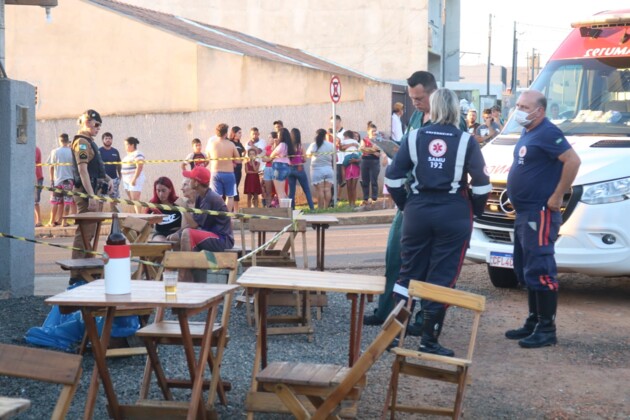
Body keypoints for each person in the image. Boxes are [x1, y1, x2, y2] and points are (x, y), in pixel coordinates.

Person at [385, 88, 491, 356]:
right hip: (453, 211)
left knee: (407, 273)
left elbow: (392, 178)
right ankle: (429, 340)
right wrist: (473, 211)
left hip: (418, 210)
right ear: (457, 110)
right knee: (442, 275)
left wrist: (406, 205)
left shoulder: (413, 137)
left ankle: (392, 337)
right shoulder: (467, 141)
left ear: (431, 109)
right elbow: (481, 185)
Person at [364, 71, 465, 330]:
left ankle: (424, 320)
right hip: (410, 200)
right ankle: (388, 311)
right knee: (396, 256)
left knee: (434, 264)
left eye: (419, 98)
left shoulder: (455, 122)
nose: (416, 103)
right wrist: (392, 147)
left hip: (436, 201)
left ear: (433, 92)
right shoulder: (418, 116)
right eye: (412, 98)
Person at [504, 90, 581, 349]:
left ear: (540, 111)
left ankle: (547, 329)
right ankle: (534, 321)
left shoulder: (548, 132)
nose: (519, 110)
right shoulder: (529, 132)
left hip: (540, 212)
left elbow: (573, 160)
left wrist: (558, 195)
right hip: (525, 213)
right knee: (527, 268)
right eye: (518, 105)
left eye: (525, 107)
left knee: (541, 268)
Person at [69, 109, 113, 283]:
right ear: (87, 122)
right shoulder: (81, 142)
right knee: (84, 235)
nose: (98, 128)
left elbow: (95, 168)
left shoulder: (88, 142)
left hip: (93, 192)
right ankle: (76, 275)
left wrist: (107, 178)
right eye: (96, 124)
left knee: (91, 235)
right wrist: (92, 196)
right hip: (88, 195)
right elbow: (82, 170)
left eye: (100, 125)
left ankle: (85, 270)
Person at [207, 123, 240, 211]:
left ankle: (218, 216)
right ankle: (227, 217)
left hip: (215, 173)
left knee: (217, 197)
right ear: (226, 133)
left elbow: (207, 159)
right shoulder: (231, 144)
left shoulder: (211, 145)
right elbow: (238, 160)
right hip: (229, 173)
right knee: (230, 196)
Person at [46, 133, 76, 227]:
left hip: (57, 180)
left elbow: (50, 167)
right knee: (67, 201)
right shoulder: (72, 151)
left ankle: (51, 221)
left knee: (55, 202)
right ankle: (64, 222)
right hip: (69, 180)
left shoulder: (54, 151)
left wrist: (51, 180)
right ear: (68, 140)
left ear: (60, 140)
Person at [145, 177, 182, 242]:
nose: (161, 194)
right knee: (162, 243)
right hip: (160, 233)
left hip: (177, 232)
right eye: (158, 190)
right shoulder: (153, 203)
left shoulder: (178, 202)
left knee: (176, 241)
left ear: (170, 189)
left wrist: (178, 233)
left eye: (163, 190)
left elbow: (187, 223)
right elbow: (144, 220)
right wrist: (151, 220)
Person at [306, 129, 334, 209]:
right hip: (328, 169)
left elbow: (308, 155)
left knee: (320, 190)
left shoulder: (314, 145)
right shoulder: (330, 145)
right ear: (325, 135)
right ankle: (326, 208)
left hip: (317, 170)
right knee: (327, 189)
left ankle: (320, 208)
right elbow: (334, 156)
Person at [287, 128, 315, 210]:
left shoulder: (288, 146)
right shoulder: (300, 146)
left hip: (290, 168)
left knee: (291, 192)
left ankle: (292, 209)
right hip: (299, 168)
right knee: (306, 189)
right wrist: (300, 160)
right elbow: (305, 159)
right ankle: (312, 208)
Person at [264, 127, 293, 201]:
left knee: (280, 193)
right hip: (286, 167)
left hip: (279, 167)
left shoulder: (281, 145)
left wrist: (275, 145)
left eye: (278, 135)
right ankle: (288, 209)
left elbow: (271, 155)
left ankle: (284, 210)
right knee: (283, 193)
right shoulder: (288, 145)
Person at [121, 136, 145, 213]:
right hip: (126, 180)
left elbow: (140, 166)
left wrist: (134, 179)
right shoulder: (128, 156)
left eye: (126, 145)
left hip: (134, 179)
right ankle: (136, 215)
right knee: (132, 199)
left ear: (132, 145)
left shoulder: (138, 153)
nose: (125, 147)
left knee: (135, 199)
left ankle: (139, 216)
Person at [99, 132, 122, 212]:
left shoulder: (115, 151)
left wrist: (120, 177)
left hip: (114, 180)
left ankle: (114, 222)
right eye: (106, 138)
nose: (108, 140)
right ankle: (98, 223)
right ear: (103, 140)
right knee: (100, 201)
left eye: (110, 138)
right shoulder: (99, 151)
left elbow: (119, 165)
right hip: (103, 181)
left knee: (114, 201)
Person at [359, 122, 381, 206]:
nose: (374, 133)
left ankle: (374, 198)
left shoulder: (378, 140)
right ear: (368, 132)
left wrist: (367, 149)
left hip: (374, 161)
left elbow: (378, 153)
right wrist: (372, 150)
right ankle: (365, 198)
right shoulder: (364, 139)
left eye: (375, 131)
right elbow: (362, 149)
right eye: (372, 131)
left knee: (373, 180)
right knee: (365, 181)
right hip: (365, 161)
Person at [339, 130, 361, 207]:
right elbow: (341, 148)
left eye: (357, 137)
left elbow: (361, 155)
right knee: (349, 186)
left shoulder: (358, 145)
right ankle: (350, 203)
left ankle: (353, 203)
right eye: (354, 136)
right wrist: (352, 144)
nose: (355, 138)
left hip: (355, 167)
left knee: (353, 187)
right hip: (348, 167)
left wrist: (356, 160)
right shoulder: (351, 143)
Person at [229, 126, 246, 212]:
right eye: (239, 133)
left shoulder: (239, 144)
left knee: (235, 188)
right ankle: (235, 210)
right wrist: (232, 163)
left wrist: (241, 158)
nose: (241, 135)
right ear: (234, 133)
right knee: (233, 188)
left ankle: (235, 210)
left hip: (239, 169)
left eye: (241, 133)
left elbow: (244, 151)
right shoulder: (229, 142)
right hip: (231, 169)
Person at [262, 132, 278, 207]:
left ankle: (277, 205)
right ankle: (268, 206)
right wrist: (271, 158)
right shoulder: (267, 147)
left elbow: (278, 158)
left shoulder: (278, 147)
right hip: (267, 169)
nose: (269, 139)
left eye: (270, 137)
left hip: (275, 169)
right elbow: (263, 158)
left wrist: (268, 158)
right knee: (268, 190)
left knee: (277, 190)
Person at [34, 145, 44, 227]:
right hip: (31, 177)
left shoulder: (35, 149)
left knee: (35, 201)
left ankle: (38, 220)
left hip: (37, 177)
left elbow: (32, 160)